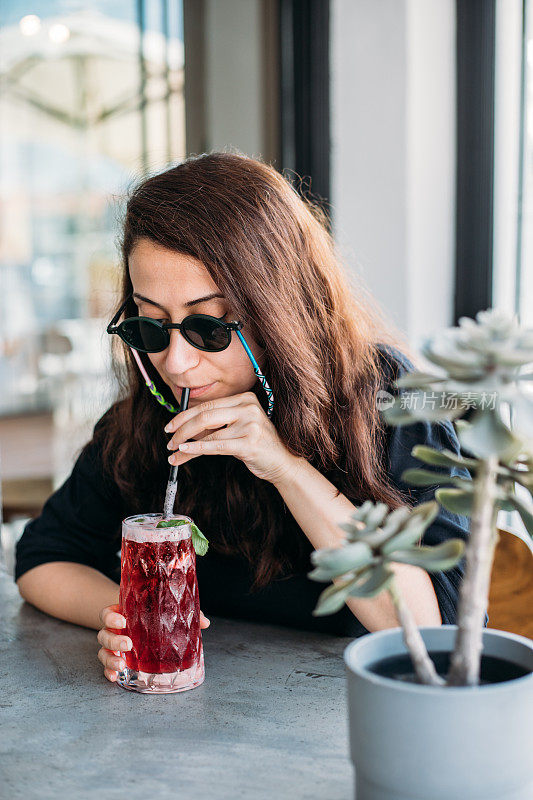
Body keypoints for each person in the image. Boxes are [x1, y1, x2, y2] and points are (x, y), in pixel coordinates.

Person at [14, 152, 487, 684]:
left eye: (210, 329)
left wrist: (286, 469)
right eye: (151, 326)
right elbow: (42, 557)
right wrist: (124, 618)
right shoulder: (149, 420)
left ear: (279, 309)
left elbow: (431, 631)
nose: (176, 363)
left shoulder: (386, 397)